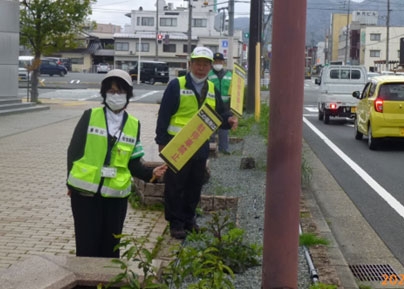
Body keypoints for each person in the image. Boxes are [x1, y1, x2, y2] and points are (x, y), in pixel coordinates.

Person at [66, 69, 167, 258]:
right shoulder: (89, 116)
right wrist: (69, 183)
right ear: (104, 93)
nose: (115, 96)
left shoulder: (133, 125)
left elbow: (133, 163)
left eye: (120, 91)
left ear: (128, 95)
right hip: (85, 194)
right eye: (111, 91)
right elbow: (73, 151)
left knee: (111, 247)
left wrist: (152, 172)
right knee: (86, 245)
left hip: (116, 197)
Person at [155, 47, 238, 239]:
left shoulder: (211, 88)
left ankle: (189, 219)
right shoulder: (177, 85)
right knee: (175, 186)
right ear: (190, 64)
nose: (201, 68)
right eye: (198, 63)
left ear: (210, 67)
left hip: (200, 146)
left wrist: (230, 120)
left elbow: (220, 115)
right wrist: (161, 142)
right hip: (178, 146)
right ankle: (175, 223)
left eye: (205, 64)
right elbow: (164, 116)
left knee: (194, 185)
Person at [208, 52, 233, 154]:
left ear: (223, 62)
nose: (217, 63)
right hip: (212, 106)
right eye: (215, 61)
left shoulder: (229, 75)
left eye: (219, 61)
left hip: (226, 107)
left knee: (224, 130)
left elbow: (234, 91)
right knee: (210, 129)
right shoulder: (208, 75)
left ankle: (224, 150)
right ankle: (210, 149)